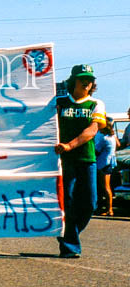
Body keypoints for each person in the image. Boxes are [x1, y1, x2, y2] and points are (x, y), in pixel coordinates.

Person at [54, 64, 106, 258]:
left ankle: (68, 235)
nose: (86, 82)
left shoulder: (95, 104)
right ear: (73, 81)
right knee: (67, 202)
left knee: (90, 203)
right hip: (63, 161)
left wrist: (70, 145)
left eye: (90, 79)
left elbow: (92, 130)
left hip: (86, 159)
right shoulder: (59, 103)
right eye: (82, 78)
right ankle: (70, 245)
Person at [94, 118, 117, 217]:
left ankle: (109, 209)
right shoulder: (112, 137)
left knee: (105, 187)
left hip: (103, 163)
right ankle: (108, 208)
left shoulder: (104, 138)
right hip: (109, 162)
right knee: (106, 187)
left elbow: (97, 151)